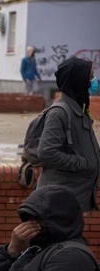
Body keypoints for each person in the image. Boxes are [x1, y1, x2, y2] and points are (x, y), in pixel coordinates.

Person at [36, 57, 99, 213]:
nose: (94, 81)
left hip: (74, 197)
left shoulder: (80, 108)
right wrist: (82, 164)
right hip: (58, 201)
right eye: (90, 76)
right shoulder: (60, 112)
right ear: (78, 80)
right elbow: (46, 152)